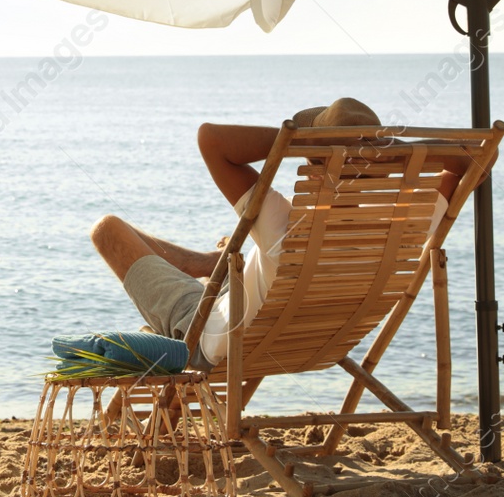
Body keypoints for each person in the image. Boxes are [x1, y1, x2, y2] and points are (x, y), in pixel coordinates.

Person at [90, 98, 464, 368]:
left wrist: (301, 141)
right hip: (318, 345)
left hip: (214, 337)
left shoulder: (285, 227)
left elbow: (211, 139)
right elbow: (475, 158)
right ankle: (205, 265)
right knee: (240, 253)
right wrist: (389, 150)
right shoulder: (405, 227)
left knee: (109, 230)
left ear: (314, 157)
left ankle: (205, 269)